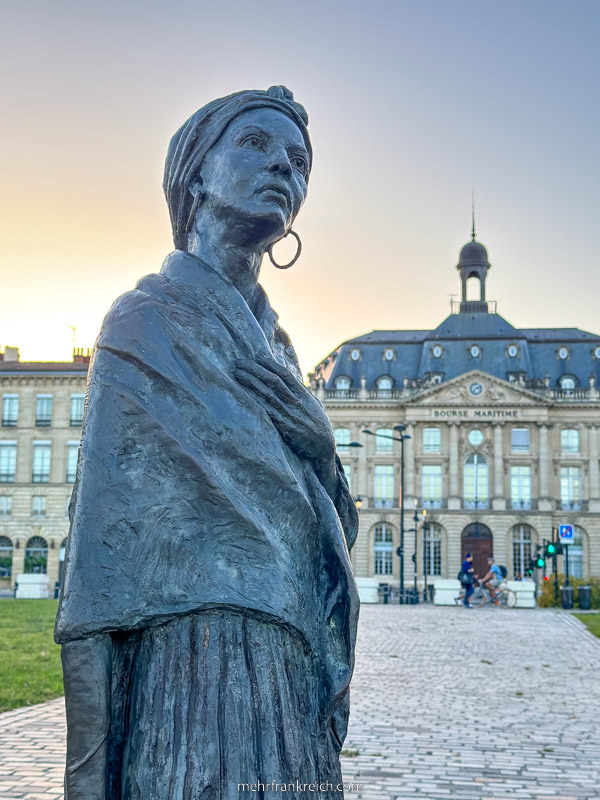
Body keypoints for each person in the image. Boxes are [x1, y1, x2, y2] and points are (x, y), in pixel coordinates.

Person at [55, 86, 359, 799]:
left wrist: (321, 448)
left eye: (298, 160)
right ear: (196, 172)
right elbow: (97, 571)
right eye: (254, 144)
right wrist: (86, 776)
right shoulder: (142, 324)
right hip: (193, 674)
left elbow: (325, 538)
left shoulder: (281, 354)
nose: (284, 167)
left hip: (290, 677)